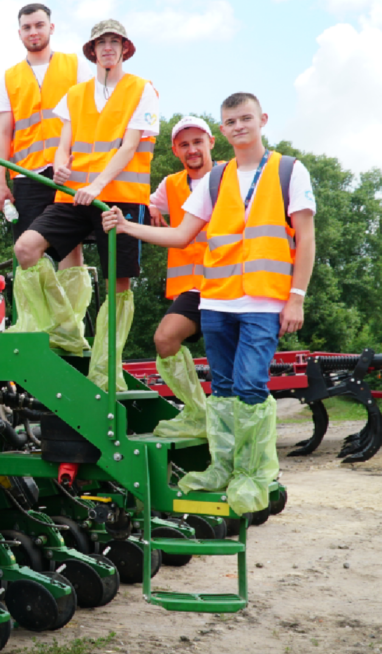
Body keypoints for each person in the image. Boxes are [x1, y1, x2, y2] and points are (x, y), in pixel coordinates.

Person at [102, 92, 316, 513]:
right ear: (223, 129)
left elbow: (305, 238)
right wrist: (127, 227)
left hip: (263, 302)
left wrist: (297, 297)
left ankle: (255, 475)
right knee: (222, 391)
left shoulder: (289, 170)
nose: (239, 126)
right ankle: (222, 469)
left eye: (245, 119)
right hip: (217, 301)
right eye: (231, 121)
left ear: (262, 120)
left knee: (251, 387)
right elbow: (181, 235)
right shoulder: (216, 179)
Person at [12, 19, 158, 390]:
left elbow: (129, 146)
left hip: (119, 199)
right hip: (75, 195)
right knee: (26, 248)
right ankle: (64, 329)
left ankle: (107, 369)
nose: (107, 47)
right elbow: (65, 141)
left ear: (124, 48)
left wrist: (97, 185)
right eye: (100, 42)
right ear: (92, 51)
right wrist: (61, 163)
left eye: (114, 41)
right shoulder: (75, 94)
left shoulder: (143, 90)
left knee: (118, 284)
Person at [0, 4, 92, 349]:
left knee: (69, 247)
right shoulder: (9, 77)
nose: (33, 32)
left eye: (39, 25)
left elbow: (89, 117)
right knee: (28, 251)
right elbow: (4, 132)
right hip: (25, 173)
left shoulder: (75, 66)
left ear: (51, 28)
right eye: (26, 27)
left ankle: (70, 328)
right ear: (19, 33)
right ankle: (40, 326)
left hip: (69, 170)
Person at [147, 116, 217, 438]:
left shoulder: (229, 176)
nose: (192, 149)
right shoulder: (171, 185)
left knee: (228, 365)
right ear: (175, 150)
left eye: (197, 142)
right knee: (164, 339)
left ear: (211, 143)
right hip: (192, 288)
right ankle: (196, 412)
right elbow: (150, 202)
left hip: (228, 283)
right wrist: (151, 207)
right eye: (184, 144)